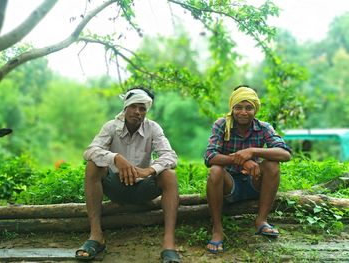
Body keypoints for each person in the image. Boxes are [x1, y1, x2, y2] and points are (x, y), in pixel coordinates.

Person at [76, 87, 181, 263]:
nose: (137, 112)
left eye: (142, 108)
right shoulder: (111, 127)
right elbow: (90, 151)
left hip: (143, 187)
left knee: (169, 175)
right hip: (116, 186)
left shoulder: (153, 128)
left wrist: (149, 170)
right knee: (92, 166)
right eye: (134, 107)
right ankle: (96, 236)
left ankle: (169, 244)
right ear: (125, 108)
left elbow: (170, 155)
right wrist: (115, 158)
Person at [204, 85, 291, 253]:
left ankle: (261, 220)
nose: (243, 112)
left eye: (248, 108)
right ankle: (217, 229)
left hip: (254, 181)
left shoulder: (263, 127)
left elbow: (285, 154)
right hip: (229, 185)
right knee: (215, 170)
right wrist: (241, 161)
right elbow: (209, 157)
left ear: (255, 110)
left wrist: (252, 152)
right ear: (232, 108)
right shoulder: (222, 125)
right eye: (238, 107)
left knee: (272, 164)